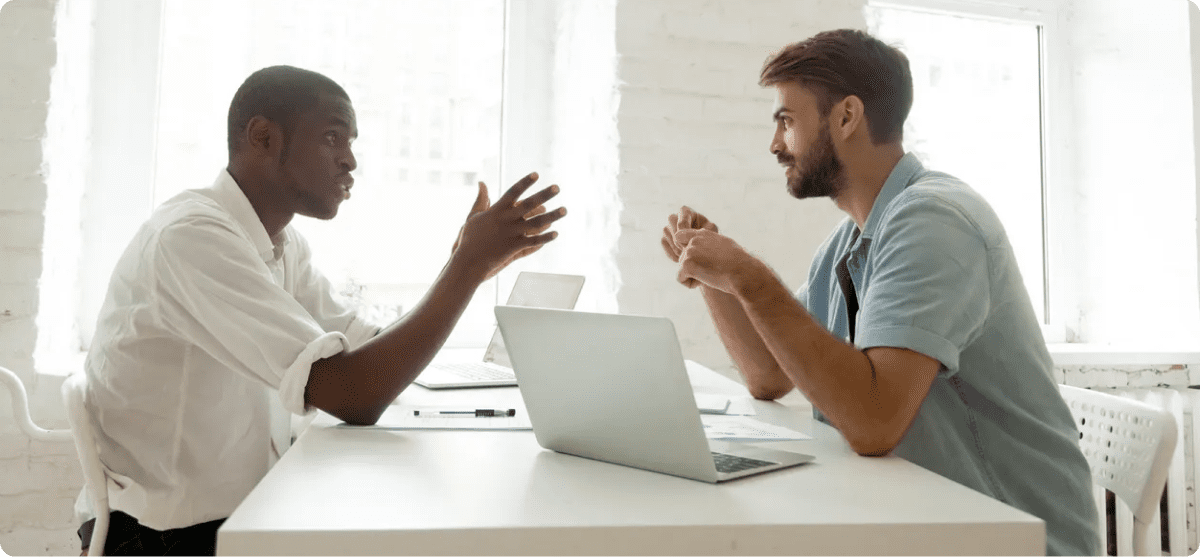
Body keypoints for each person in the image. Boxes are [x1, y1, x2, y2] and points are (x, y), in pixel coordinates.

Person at [75, 65, 567, 557]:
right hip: (162, 542)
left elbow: (366, 350)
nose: (350, 161)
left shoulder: (279, 244)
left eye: (350, 142)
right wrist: (465, 268)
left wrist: (463, 268)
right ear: (263, 138)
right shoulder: (192, 239)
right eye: (333, 137)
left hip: (236, 519)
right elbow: (354, 394)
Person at [660, 30, 1099, 557]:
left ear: (846, 117)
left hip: (1014, 539)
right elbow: (768, 375)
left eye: (786, 120)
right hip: (922, 520)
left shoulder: (934, 222)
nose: (775, 145)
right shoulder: (853, 239)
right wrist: (719, 277)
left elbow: (873, 422)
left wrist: (748, 276)